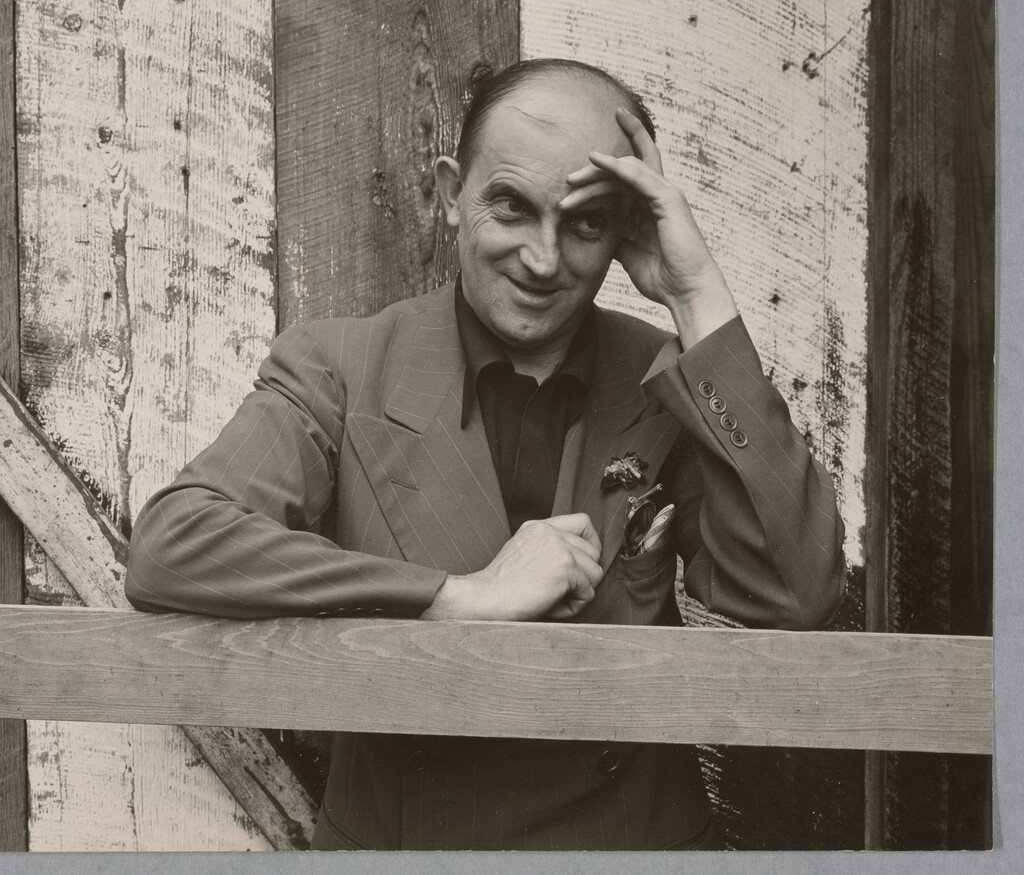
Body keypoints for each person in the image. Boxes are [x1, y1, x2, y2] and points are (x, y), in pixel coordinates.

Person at [125, 58, 846, 851]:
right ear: (448, 196)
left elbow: (794, 593)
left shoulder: (664, 378)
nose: (543, 260)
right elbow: (174, 546)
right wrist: (455, 596)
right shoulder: (340, 365)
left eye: (584, 222)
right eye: (511, 206)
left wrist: (693, 290)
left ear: (622, 232)